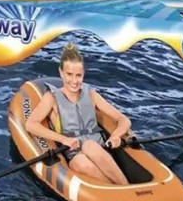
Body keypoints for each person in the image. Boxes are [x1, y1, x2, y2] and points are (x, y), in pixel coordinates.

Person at [26, 43, 130, 185]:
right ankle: (116, 189)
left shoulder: (91, 95)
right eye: (69, 74)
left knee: (89, 146)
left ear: (83, 74)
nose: (74, 81)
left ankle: (124, 186)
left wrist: (115, 136)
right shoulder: (51, 98)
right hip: (73, 153)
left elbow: (123, 119)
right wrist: (64, 140)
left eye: (78, 75)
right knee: (80, 162)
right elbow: (31, 125)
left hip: (100, 150)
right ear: (61, 72)